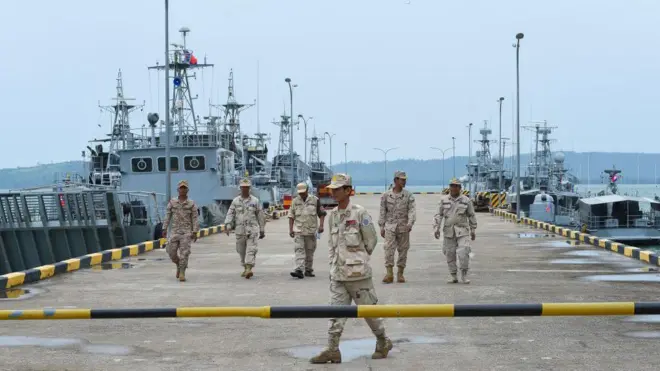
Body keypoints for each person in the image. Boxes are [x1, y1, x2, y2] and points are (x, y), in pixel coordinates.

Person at [310, 173, 393, 364]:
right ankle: (332, 350)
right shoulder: (333, 216)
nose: (333, 192)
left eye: (338, 189)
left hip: (358, 275)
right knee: (335, 314)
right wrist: (333, 265)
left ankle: (383, 341)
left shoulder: (359, 213)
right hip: (338, 275)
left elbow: (371, 240)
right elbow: (332, 245)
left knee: (369, 313)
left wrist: (358, 260)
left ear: (348, 190)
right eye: (332, 189)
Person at [433, 178, 477, 284]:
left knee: (464, 252)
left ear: (460, 188)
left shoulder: (466, 200)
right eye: (452, 185)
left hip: (463, 231)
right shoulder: (444, 200)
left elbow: (471, 215)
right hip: (449, 231)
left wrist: (473, 229)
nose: (453, 188)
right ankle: (453, 276)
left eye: (456, 186)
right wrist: (436, 228)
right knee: (450, 254)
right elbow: (439, 215)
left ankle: (464, 275)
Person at [378, 170, 416, 283]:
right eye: (402, 179)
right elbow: (382, 211)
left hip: (404, 226)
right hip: (390, 226)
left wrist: (410, 223)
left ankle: (400, 273)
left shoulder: (408, 195)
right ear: (395, 180)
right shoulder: (386, 195)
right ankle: (389, 274)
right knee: (388, 249)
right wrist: (381, 226)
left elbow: (412, 210)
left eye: (405, 179)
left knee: (403, 250)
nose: (404, 181)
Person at [224, 178, 266, 279]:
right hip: (240, 230)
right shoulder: (235, 201)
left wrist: (262, 229)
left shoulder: (255, 201)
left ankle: (248, 268)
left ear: (249, 188)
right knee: (241, 250)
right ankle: (245, 266)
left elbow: (260, 215)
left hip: (252, 229)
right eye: (243, 187)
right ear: (240, 188)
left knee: (251, 249)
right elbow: (231, 213)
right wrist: (228, 225)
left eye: (247, 187)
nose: (245, 189)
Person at [162, 180, 199, 282]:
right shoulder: (172, 202)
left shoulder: (191, 204)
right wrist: (164, 228)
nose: (183, 190)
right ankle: (178, 264)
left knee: (185, 253)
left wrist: (195, 231)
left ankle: (182, 271)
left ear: (187, 190)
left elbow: (195, 218)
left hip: (186, 233)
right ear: (178, 190)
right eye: (181, 188)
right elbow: (168, 215)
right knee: (171, 251)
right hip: (175, 231)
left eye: (184, 188)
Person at [288, 182, 327, 279]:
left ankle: (308, 269)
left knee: (310, 251)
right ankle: (299, 270)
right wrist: (291, 229)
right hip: (298, 230)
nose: (302, 194)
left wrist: (321, 226)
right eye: (300, 192)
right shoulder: (295, 201)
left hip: (311, 231)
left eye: (303, 192)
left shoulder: (315, 200)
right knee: (299, 250)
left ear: (307, 190)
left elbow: (322, 213)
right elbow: (291, 216)